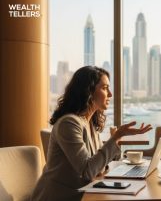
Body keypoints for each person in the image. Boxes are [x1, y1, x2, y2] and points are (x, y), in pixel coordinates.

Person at [31, 66, 152, 201]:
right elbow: (87, 171)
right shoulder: (69, 124)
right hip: (59, 196)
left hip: (83, 193)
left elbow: (99, 167)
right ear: (88, 90)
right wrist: (116, 137)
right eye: (105, 88)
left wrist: (117, 139)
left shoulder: (89, 123)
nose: (110, 94)